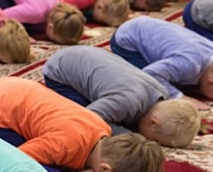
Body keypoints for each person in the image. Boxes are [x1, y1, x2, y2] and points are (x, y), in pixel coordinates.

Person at [0, 76, 165, 172]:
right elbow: (20, 158)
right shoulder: (66, 143)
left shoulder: (103, 130)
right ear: (104, 169)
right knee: (9, 163)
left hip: (16, 88)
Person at [43, 46, 200, 148]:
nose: (154, 143)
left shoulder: (161, 93)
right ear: (153, 122)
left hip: (86, 54)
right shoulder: (128, 101)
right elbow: (90, 117)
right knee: (78, 122)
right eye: (157, 141)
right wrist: (130, 136)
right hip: (60, 72)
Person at [110, 15, 213, 110]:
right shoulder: (188, 64)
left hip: (146, 26)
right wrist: (181, 97)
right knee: (149, 86)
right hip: (127, 40)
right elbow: (150, 74)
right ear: (211, 83)